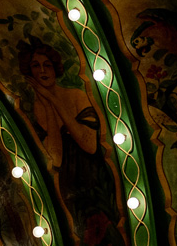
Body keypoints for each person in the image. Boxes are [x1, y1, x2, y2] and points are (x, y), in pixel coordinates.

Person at [18, 39, 113, 212]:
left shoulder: (77, 96)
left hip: (94, 181)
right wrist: (48, 107)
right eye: (35, 66)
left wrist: (54, 100)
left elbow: (90, 146)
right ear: (29, 72)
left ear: (55, 68)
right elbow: (57, 159)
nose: (42, 70)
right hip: (68, 188)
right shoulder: (33, 111)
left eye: (47, 65)